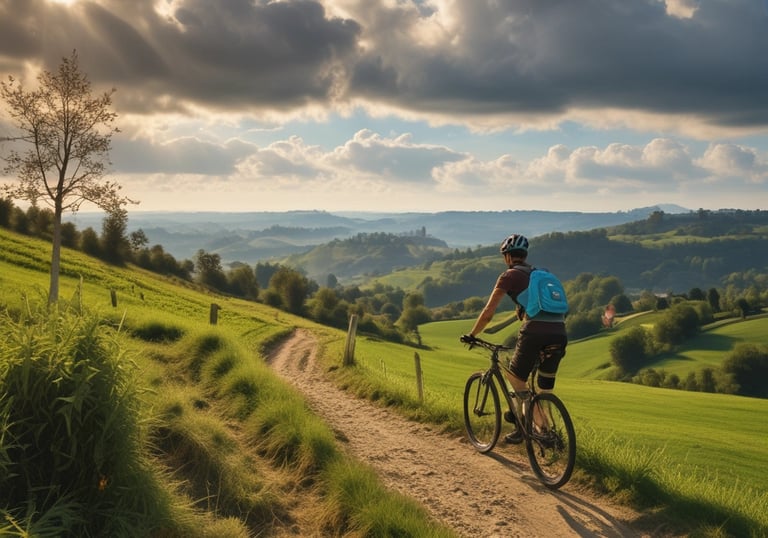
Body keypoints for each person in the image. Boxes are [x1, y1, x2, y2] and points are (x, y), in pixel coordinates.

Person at [463, 234, 567, 444]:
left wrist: (473, 335)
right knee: (544, 389)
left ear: (507, 257)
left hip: (534, 332)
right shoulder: (539, 274)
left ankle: (540, 430)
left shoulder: (508, 276)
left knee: (516, 380)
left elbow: (488, 311)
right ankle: (540, 430)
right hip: (559, 331)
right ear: (525, 255)